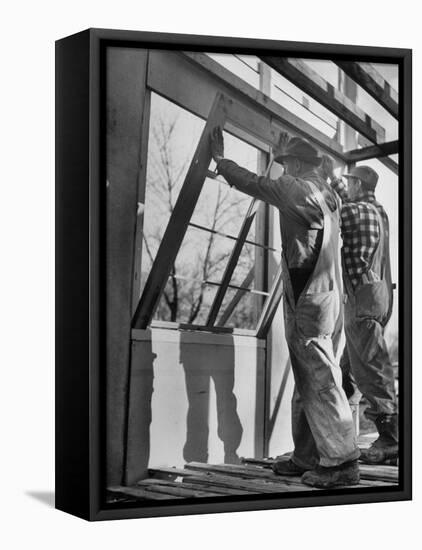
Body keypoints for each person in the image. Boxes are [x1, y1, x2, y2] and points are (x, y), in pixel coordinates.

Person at [210, 128, 360, 488]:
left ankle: (341, 462)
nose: (282, 170)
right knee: (310, 378)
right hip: (327, 296)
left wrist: (221, 161)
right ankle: (308, 456)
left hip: (309, 299)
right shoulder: (326, 194)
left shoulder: (295, 189)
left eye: (285, 163)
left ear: (294, 164)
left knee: (320, 381)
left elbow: (255, 182)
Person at [320, 157, 398, 464]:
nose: (347, 185)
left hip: (363, 301)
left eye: (351, 181)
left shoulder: (358, 211)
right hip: (376, 298)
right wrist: (334, 178)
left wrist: (326, 177)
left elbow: (340, 207)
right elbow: (346, 199)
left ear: (359, 185)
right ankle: (339, 432)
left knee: (371, 372)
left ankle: (390, 440)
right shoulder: (379, 212)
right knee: (350, 370)